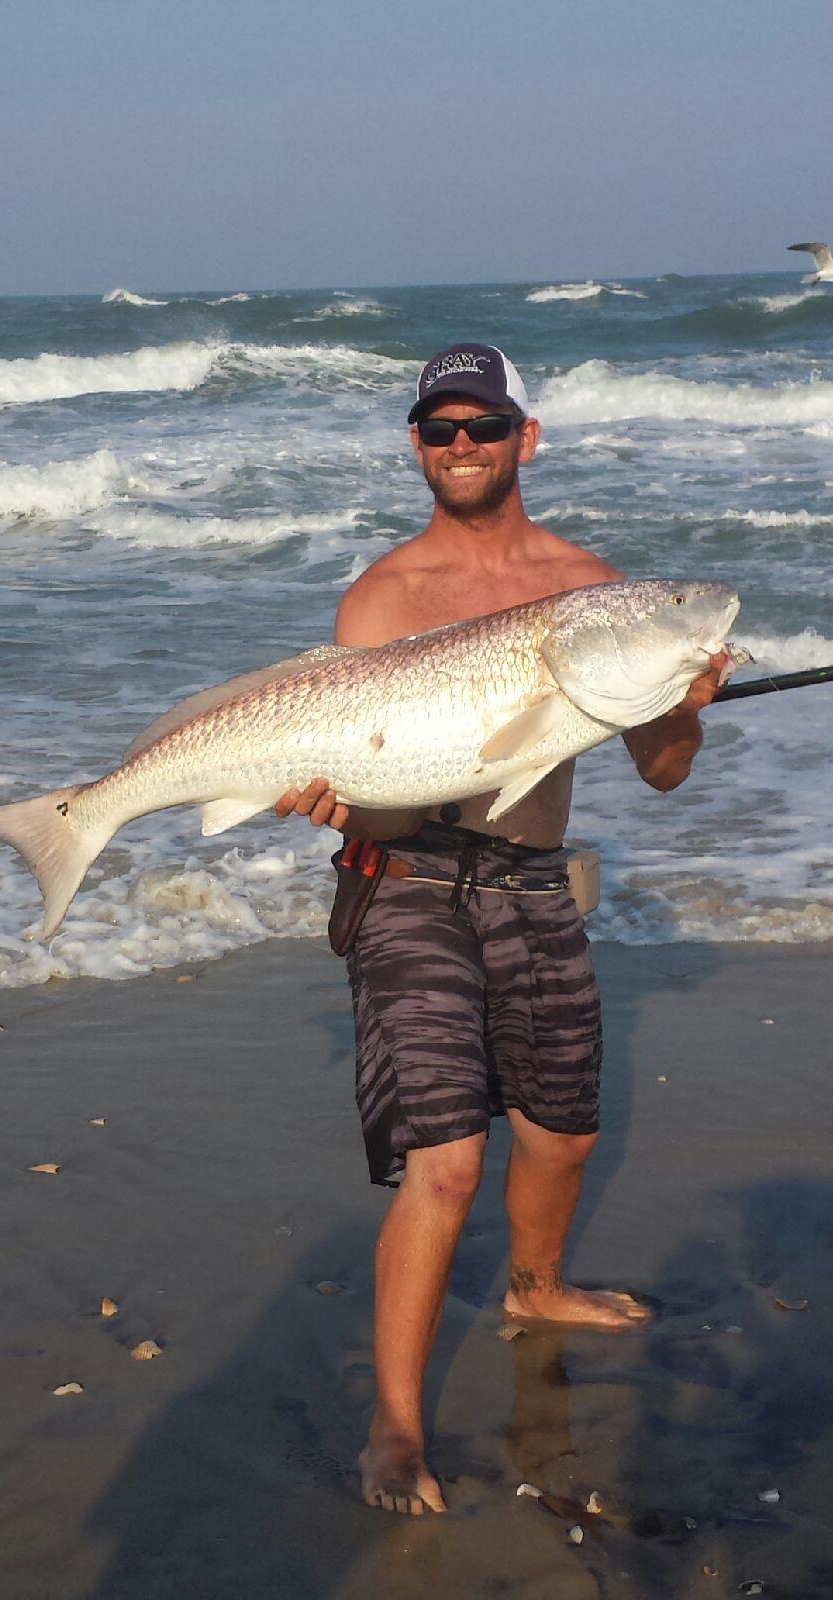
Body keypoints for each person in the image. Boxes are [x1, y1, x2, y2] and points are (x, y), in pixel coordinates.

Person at [274, 342, 724, 1517]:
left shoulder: (596, 591)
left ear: (528, 437)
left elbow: (664, 772)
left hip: (533, 881)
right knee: (447, 1162)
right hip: (406, 879)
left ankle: (532, 1288)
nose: (461, 446)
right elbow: (368, 785)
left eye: (483, 425)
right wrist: (331, 795)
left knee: (562, 1134)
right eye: (440, 429)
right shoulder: (380, 597)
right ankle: (397, 1425)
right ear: (418, 447)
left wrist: (680, 704)